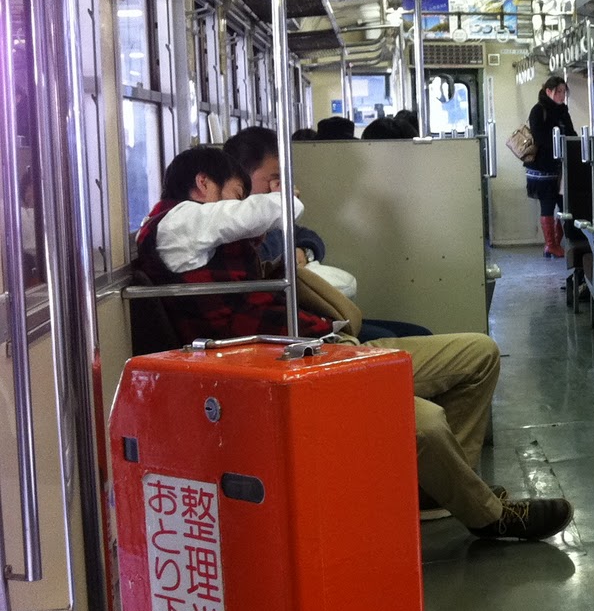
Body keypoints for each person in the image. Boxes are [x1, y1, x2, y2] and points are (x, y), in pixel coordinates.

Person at [137, 148, 571, 542]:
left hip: (323, 348)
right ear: (202, 184)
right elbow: (270, 211)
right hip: (285, 370)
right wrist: (283, 198)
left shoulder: (201, 236)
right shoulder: (175, 225)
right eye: (235, 194)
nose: (239, 205)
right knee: (425, 424)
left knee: (479, 353)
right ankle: (490, 517)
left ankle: (434, 491)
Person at [222, 126, 429, 334]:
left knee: (416, 332)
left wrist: (303, 251)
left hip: (302, 313)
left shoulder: (269, 219)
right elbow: (260, 259)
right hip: (281, 322)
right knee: (388, 336)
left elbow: (308, 236)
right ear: (241, 177)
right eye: (274, 179)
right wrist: (279, 214)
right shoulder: (231, 226)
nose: (281, 187)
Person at [525, 75, 576, 259]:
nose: (562, 95)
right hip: (542, 168)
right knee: (547, 205)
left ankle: (558, 242)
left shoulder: (563, 111)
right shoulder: (538, 110)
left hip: (561, 167)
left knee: (564, 206)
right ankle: (551, 245)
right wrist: (559, 147)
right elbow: (540, 137)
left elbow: (571, 133)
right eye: (558, 91)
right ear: (548, 91)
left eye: (564, 92)